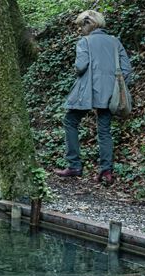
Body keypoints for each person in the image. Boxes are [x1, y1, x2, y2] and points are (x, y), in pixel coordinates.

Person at [55, 10, 132, 184]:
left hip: (87, 92)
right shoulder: (114, 42)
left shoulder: (85, 42)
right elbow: (127, 71)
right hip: (110, 94)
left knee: (70, 121)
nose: (80, 30)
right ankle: (106, 171)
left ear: (87, 24)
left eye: (80, 26)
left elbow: (81, 66)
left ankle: (74, 165)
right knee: (104, 130)